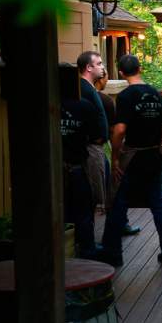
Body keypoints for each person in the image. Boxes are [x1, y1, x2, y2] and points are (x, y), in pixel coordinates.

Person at [99, 54, 162, 267]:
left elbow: (119, 130)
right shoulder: (155, 93)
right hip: (153, 154)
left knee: (118, 202)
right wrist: (160, 145)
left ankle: (112, 253)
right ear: (140, 68)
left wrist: (115, 158)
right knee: (158, 203)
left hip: (133, 156)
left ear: (121, 73)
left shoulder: (126, 96)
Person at [58, 63, 99, 259]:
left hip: (52, 171)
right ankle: (87, 253)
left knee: (59, 212)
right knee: (83, 212)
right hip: (77, 167)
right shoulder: (85, 107)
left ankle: (61, 253)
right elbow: (97, 136)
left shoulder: (44, 107)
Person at [96, 67, 141, 236]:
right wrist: (117, 154)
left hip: (93, 148)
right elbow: (117, 129)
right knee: (115, 188)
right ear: (102, 79)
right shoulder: (106, 101)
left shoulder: (92, 97)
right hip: (106, 147)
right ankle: (119, 225)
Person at [76, 51, 108, 216]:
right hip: (91, 147)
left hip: (97, 147)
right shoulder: (83, 89)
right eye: (99, 64)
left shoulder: (89, 88)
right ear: (88, 67)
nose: (103, 67)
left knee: (101, 190)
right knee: (93, 195)